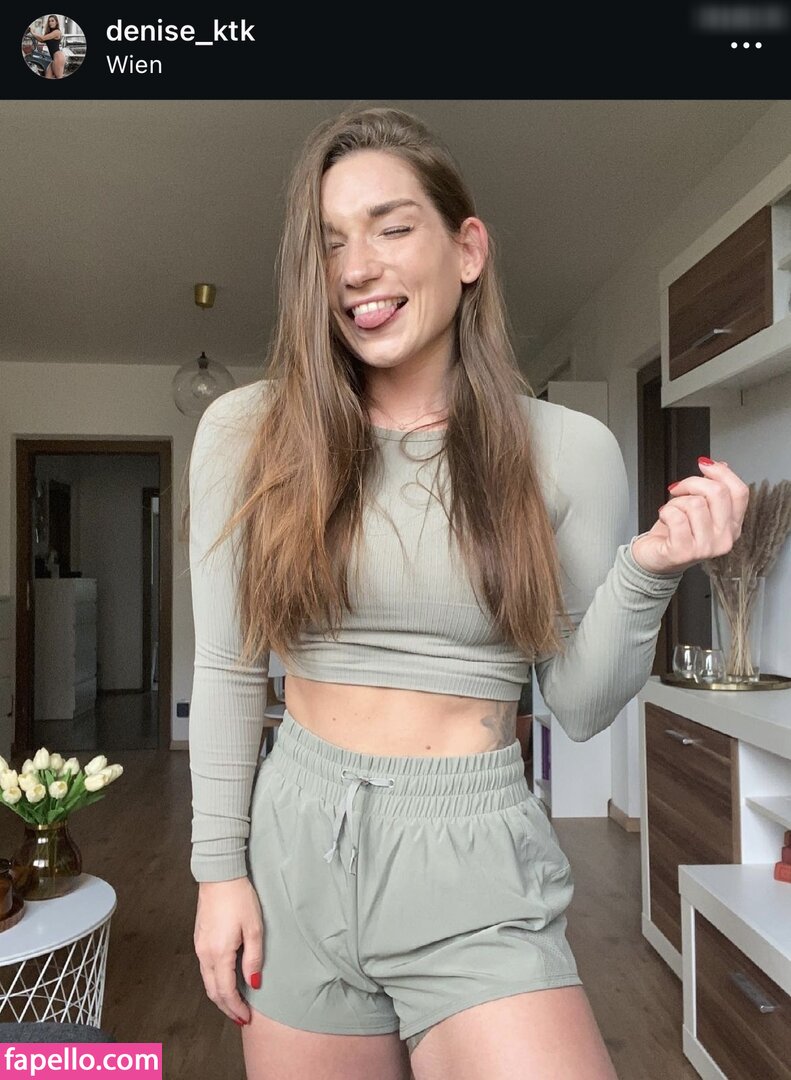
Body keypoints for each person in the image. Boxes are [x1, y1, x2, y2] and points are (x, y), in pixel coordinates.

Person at [185, 106, 749, 1080]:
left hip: (475, 849)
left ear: (467, 249)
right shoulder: (247, 432)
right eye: (330, 242)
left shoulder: (565, 450)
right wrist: (216, 872)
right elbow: (229, 670)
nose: (356, 266)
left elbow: (577, 705)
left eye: (391, 227)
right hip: (293, 846)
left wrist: (647, 571)